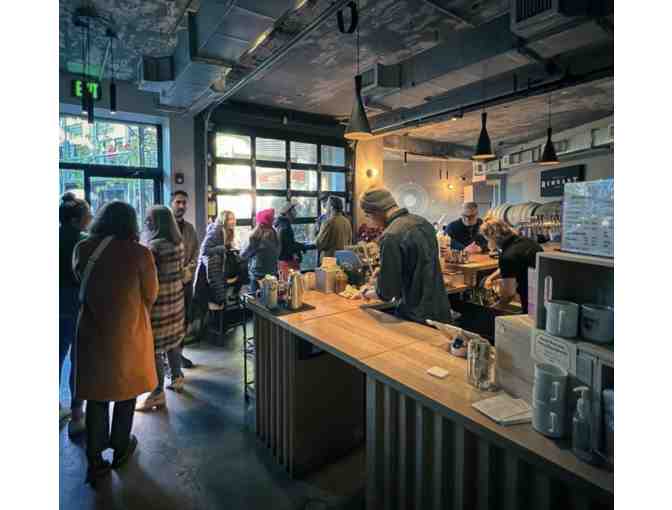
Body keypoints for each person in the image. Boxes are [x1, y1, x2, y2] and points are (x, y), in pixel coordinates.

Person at [72, 201, 159, 484]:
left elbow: (79, 278)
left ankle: (95, 461)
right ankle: (121, 448)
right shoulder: (140, 254)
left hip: (91, 333)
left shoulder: (83, 249)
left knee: (96, 396)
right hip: (127, 334)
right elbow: (151, 294)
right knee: (126, 393)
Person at [359, 187, 453, 324]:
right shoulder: (423, 223)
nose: (371, 223)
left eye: (368, 216)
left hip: (415, 316)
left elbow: (387, 293)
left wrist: (365, 292)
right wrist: (386, 270)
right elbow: (418, 264)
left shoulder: (391, 236)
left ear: (375, 211)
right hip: (441, 310)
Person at [137, 206, 186, 411]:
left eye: (149, 219)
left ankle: (157, 392)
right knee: (173, 341)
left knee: (155, 348)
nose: (146, 222)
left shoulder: (153, 247)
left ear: (157, 222)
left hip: (159, 304)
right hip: (176, 301)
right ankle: (177, 377)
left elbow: (147, 278)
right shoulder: (178, 244)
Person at [59, 192, 93, 435]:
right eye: (87, 215)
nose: (91, 218)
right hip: (77, 304)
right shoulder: (84, 242)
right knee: (79, 359)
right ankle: (77, 414)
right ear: (75, 220)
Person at [480, 217, 543, 314]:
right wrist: (491, 278)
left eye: (487, 239)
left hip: (531, 301)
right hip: (545, 294)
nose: (487, 243)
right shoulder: (527, 241)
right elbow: (510, 267)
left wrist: (491, 310)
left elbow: (509, 294)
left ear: (493, 237)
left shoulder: (507, 256)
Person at [170, 190, 199, 369]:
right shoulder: (163, 226)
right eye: (178, 202)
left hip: (186, 282)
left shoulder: (189, 228)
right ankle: (167, 360)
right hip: (169, 284)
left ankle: (179, 355)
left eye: (184, 203)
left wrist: (188, 270)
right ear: (171, 203)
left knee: (184, 320)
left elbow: (196, 252)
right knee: (169, 322)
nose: (181, 206)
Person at [242, 208, 280, 293]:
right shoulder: (275, 235)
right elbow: (278, 254)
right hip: (272, 276)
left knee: (256, 300)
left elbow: (243, 255)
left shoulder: (256, 237)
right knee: (271, 299)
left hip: (257, 277)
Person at [275, 201, 309, 280]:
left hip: (283, 261)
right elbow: (289, 246)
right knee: (292, 285)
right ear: (288, 212)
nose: (296, 212)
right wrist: (302, 246)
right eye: (293, 210)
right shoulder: (285, 226)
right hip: (287, 263)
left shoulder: (281, 224)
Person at [315, 195, 352, 262]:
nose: (326, 208)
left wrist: (318, 228)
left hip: (329, 261)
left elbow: (319, 244)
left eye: (327, 205)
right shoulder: (347, 221)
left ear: (331, 207)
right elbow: (349, 242)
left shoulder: (329, 222)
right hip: (343, 260)